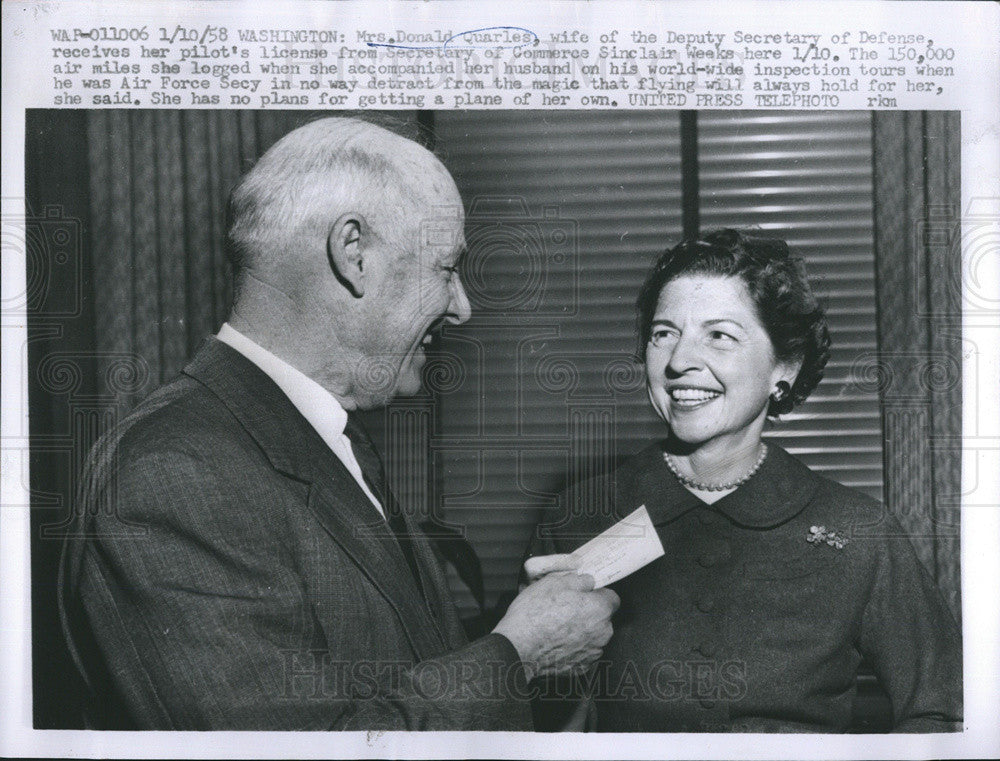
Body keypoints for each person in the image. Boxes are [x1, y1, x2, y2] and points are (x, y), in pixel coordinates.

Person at [58, 117, 619, 731]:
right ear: (354, 255)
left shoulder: (320, 437)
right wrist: (518, 655)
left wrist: (526, 631)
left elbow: (385, 679)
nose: (462, 307)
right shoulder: (172, 476)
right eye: (446, 269)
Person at [529, 229, 962, 732]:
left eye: (719, 335)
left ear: (785, 367)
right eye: (663, 332)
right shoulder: (581, 514)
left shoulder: (858, 531)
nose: (678, 362)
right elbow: (538, 720)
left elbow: (944, 713)